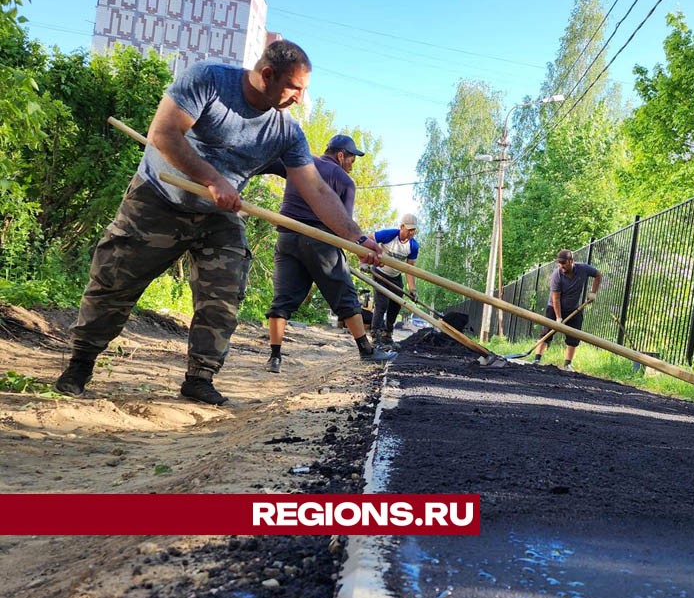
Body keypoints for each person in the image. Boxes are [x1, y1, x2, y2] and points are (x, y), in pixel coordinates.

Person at [54, 40, 384, 405]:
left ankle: (199, 377)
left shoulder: (285, 132)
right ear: (268, 75)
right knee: (114, 282)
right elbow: (163, 133)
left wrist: (358, 238)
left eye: (304, 91)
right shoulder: (208, 80)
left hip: (218, 216)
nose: (299, 99)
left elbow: (317, 191)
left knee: (224, 293)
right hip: (158, 198)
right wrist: (212, 178)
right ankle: (80, 362)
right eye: (295, 88)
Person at [262, 134, 395, 373]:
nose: (352, 166)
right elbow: (342, 223)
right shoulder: (344, 180)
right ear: (341, 155)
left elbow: (267, 162)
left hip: (287, 237)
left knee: (282, 299)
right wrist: (360, 246)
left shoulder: (300, 162)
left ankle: (275, 357)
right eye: (352, 160)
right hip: (321, 240)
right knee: (345, 297)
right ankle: (366, 350)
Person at [533, 249, 602, 369]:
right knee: (546, 333)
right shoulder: (557, 275)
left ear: (571, 261)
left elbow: (598, 275)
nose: (562, 266)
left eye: (564, 263)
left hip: (574, 309)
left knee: (573, 336)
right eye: (560, 263)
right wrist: (558, 317)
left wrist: (593, 293)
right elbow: (556, 298)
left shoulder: (583, 269)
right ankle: (537, 359)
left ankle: (567, 364)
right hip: (554, 308)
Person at [370, 214, 420, 348]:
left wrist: (412, 289)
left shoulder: (413, 246)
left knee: (396, 304)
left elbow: (409, 269)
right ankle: (375, 336)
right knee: (381, 304)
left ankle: (387, 335)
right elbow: (369, 239)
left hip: (395, 277)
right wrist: (368, 257)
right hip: (379, 273)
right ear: (402, 226)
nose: (411, 232)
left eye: (413, 230)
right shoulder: (389, 235)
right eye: (409, 229)